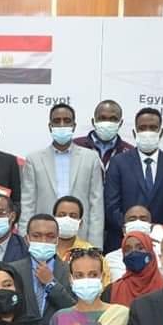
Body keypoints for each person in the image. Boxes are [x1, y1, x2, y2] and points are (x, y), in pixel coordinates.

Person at [104, 106, 163, 252]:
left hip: (162, 245)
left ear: (161, 132)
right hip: (123, 243)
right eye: (142, 128)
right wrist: (132, 228)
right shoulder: (118, 162)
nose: (147, 132)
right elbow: (111, 206)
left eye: (153, 128)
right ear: (134, 132)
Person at [20, 103, 103, 247]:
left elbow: (96, 205)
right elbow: (28, 205)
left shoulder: (91, 158)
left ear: (74, 126)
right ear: (50, 126)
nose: (62, 125)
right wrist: (24, 241)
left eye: (67, 121)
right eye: (57, 121)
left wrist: (95, 246)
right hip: (44, 237)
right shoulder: (34, 159)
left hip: (80, 236)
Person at [9, 214, 76, 322]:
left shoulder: (71, 271)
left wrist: (51, 284)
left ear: (57, 240)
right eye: (36, 236)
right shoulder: (12, 270)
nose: (43, 241)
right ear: (27, 239)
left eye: (50, 236)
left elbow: (75, 310)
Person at [102, 230, 163, 307]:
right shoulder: (112, 291)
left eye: (140, 248)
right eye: (128, 250)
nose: (134, 252)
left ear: (150, 252)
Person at [104, 206, 163, 282]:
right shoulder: (111, 259)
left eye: (143, 219)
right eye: (132, 219)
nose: (138, 222)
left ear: (151, 228)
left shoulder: (162, 255)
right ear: (124, 229)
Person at [72, 99, 134, 171]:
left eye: (113, 119)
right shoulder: (75, 145)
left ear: (120, 123)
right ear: (93, 122)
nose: (107, 123)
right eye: (102, 118)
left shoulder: (130, 152)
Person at [52, 195, 94, 260]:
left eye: (73, 216)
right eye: (62, 215)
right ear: (53, 220)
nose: (67, 219)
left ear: (80, 223)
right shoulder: (43, 249)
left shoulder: (90, 253)